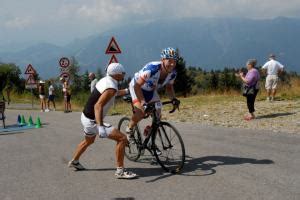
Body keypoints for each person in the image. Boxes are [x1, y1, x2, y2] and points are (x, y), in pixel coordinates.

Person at [68, 63, 137, 179]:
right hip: (92, 120)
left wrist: (126, 90)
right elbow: (98, 106)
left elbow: (113, 93)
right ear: (117, 74)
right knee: (122, 138)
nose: (124, 74)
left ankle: (74, 161)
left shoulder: (106, 80)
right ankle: (120, 171)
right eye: (123, 73)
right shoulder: (111, 86)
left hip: (85, 117)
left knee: (88, 141)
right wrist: (100, 127)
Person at [126, 47, 180, 142]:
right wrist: (143, 102)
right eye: (169, 60)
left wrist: (174, 99)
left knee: (158, 114)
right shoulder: (152, 69)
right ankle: (129, 129)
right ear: (162, 60)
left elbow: (169, 87)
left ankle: (151, 140)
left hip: (150, 90)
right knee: (141, 112)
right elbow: (137, 86)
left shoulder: (173, 73)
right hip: (137, 87)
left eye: (174, 61)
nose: (172, 64)